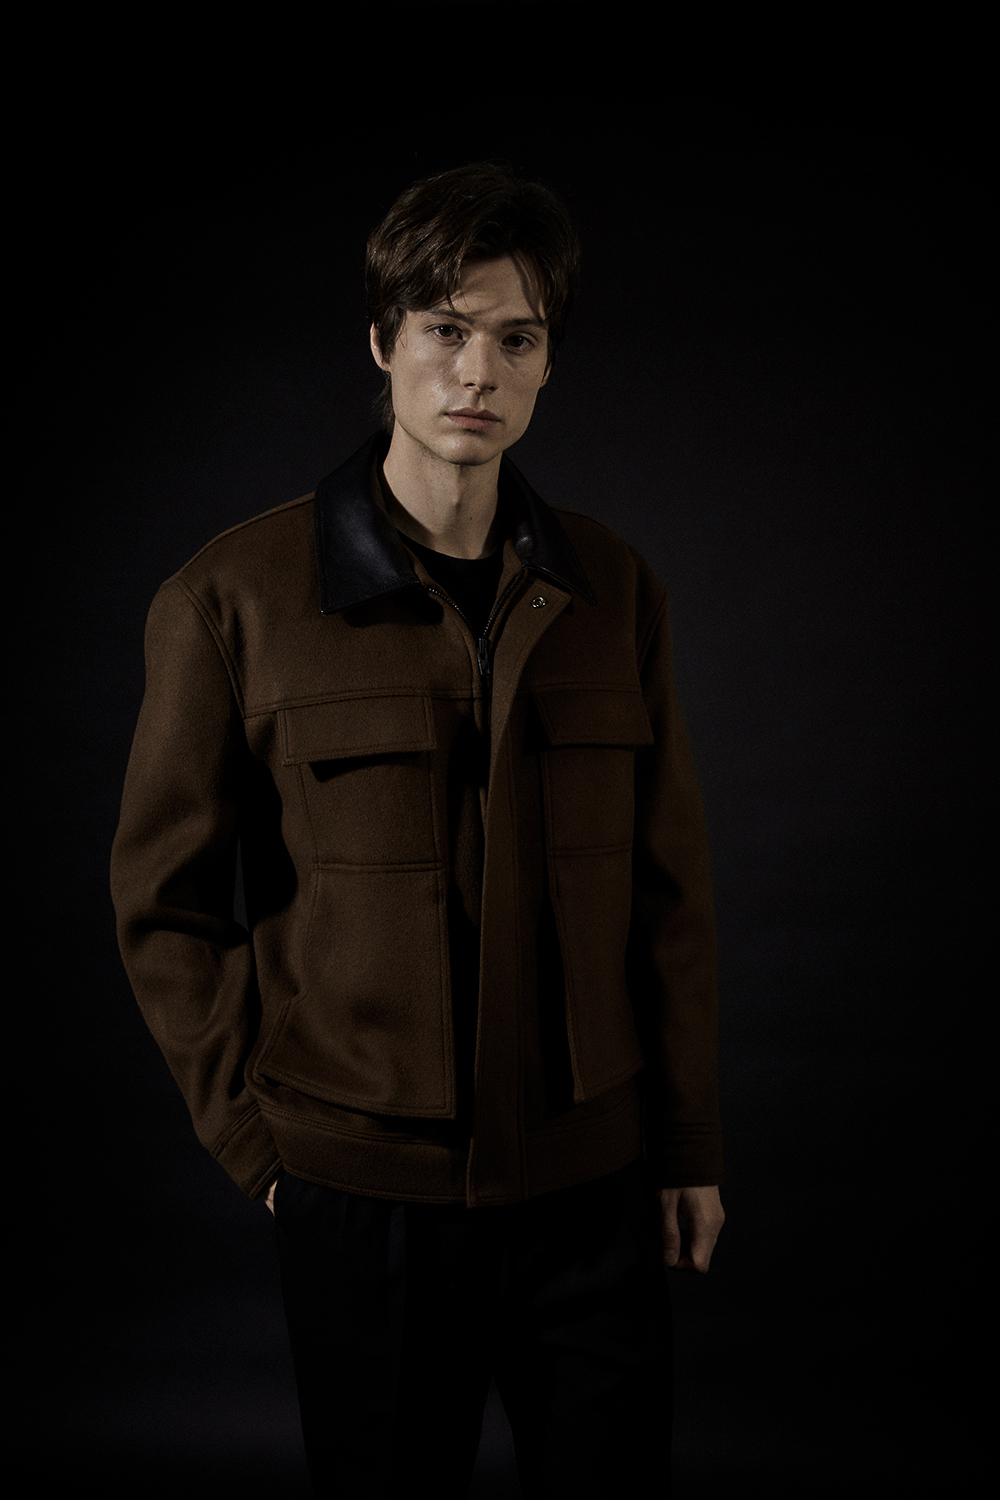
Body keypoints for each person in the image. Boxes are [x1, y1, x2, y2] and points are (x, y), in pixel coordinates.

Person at [111, 160, 725, 1498]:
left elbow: (669, 895)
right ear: (384, 342)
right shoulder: (232, 599)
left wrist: (685, 1145)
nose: (478, 372)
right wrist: (258, 1144)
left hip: (592, 1192)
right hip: (363, 1204)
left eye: (518, 338)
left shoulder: (617, 593)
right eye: (447, 329)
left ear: (549, 362)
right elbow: (163, 904)